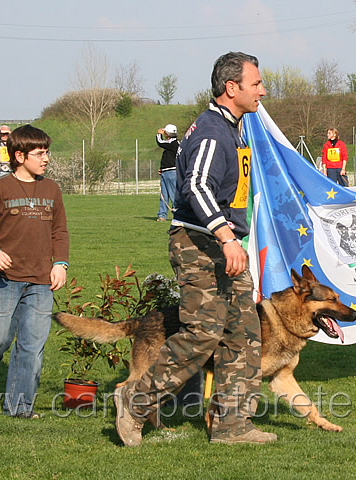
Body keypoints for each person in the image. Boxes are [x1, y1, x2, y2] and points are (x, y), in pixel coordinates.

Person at [114, 51, 276, 446]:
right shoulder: (211, 130)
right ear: (231, 88)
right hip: (199, 243)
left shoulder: (232, 128)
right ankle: (135, 404)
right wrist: (225, 236)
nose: (263, 90)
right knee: (203, 333)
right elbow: (196, 187)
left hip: (224, 245)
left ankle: (231, 426)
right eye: (256, 84)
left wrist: (232, 240)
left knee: (243, 335)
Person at [0, 125, 69, 418]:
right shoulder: (1, 188)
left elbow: (60, 231)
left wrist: (60, 264)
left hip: (41, 282)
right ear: (19, 156)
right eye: (39, 153)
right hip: (5, 281)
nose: (45, 158)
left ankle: (19, 409)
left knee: (31, 347)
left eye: (47, 152)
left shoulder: (52, 189)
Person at [155, 124, 179, 221]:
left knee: (173, 194)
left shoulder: (173, 143)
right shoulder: (170, 144)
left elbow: (160, 142)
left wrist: (158, 134)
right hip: (166, 171)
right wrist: (163, 168)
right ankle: (162, 215)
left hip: (171, 172)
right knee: (163, 195)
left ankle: (177, 215)